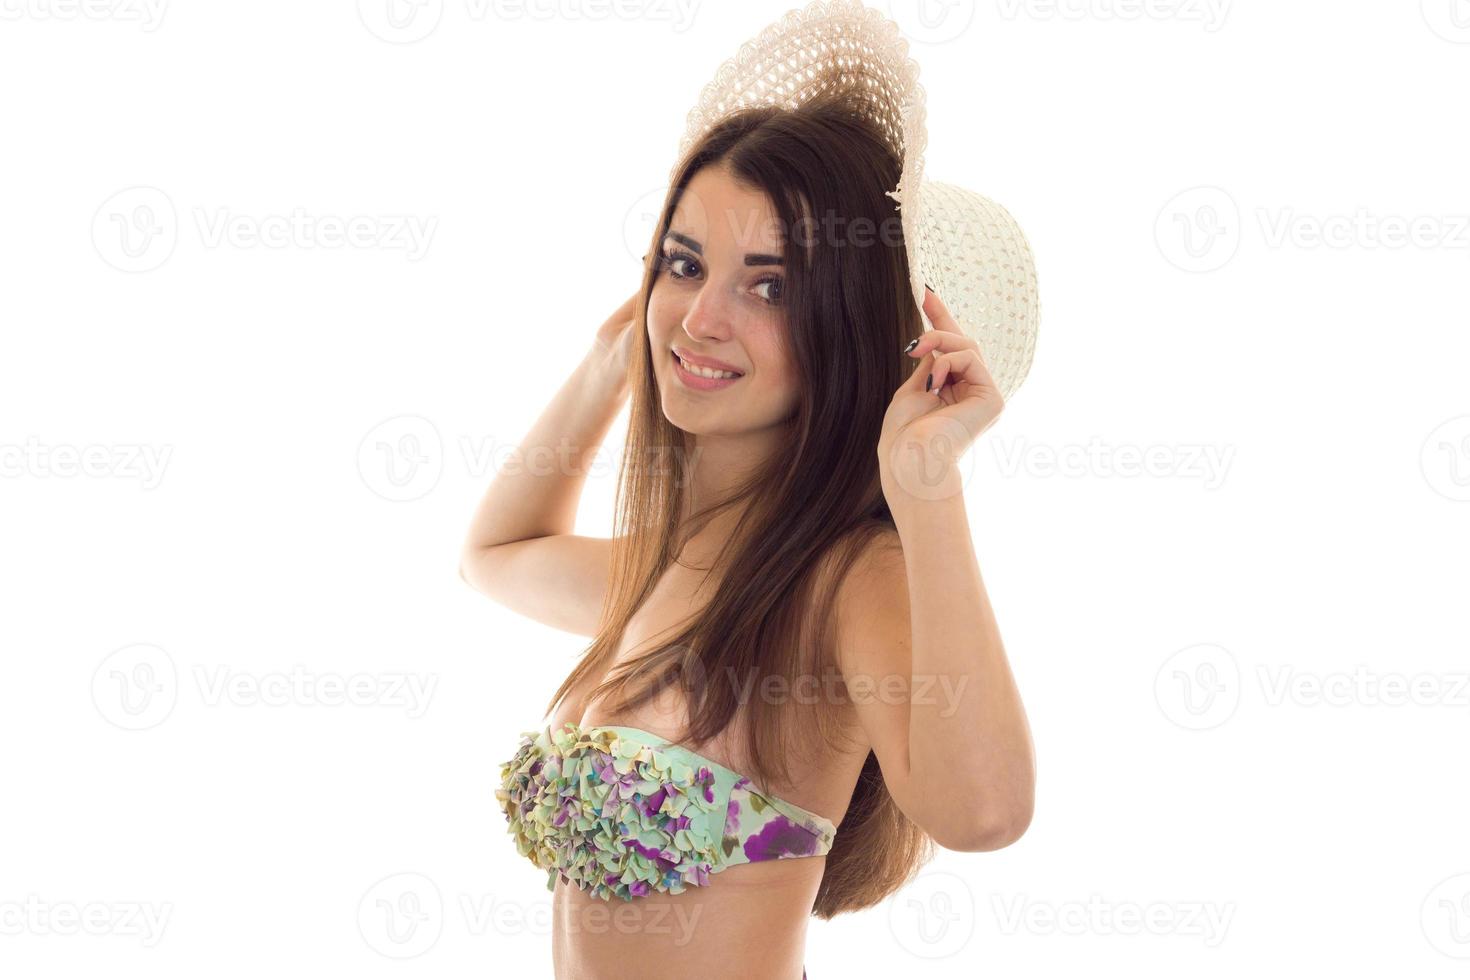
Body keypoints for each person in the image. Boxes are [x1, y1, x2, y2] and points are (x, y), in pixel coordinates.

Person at [461, 87, 1035, 979]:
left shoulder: (844, 582)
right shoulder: (671, 573)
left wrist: (927, 490)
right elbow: (495, 558)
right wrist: (610, 366)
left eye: (769, 286)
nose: (700, 319)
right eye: (684, 266)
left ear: (846, 327)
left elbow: (986, 812)